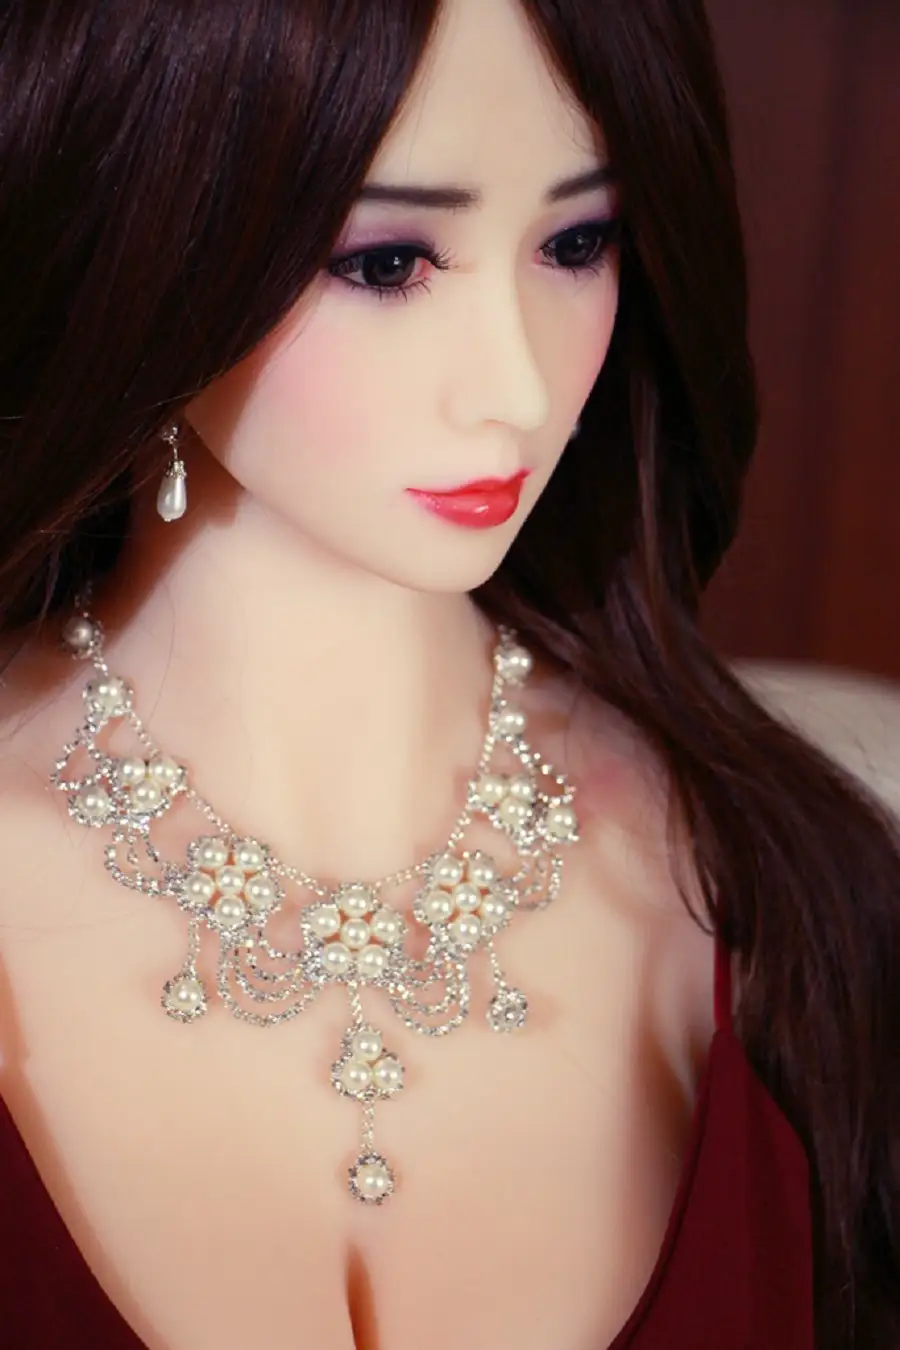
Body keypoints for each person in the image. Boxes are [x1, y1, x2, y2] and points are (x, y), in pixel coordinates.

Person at [0, 0, 897, 1347]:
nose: (518, 389)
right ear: (146, 227)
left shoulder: (784, 900)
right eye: (387, 261)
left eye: (576, 243)